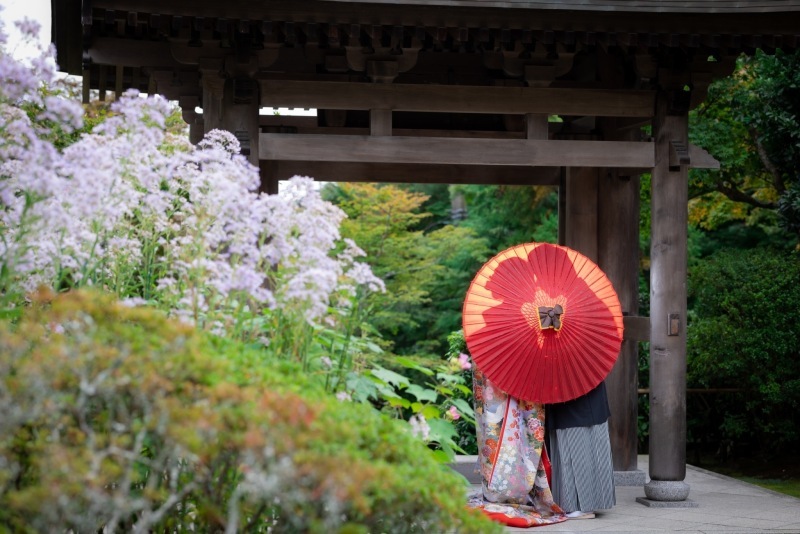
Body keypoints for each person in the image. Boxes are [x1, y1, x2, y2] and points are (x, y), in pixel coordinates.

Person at [467, 368, 568, 528]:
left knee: (512, 429)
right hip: (495, 370)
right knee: (494, 428)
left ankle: (511, 491)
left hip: (510, 361)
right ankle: (499, 491)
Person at [545, 381, 616, 519]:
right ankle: (572, 503)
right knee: (568, 450)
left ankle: (582, 506)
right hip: (568, 389)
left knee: (579, 449)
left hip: (578, 392)